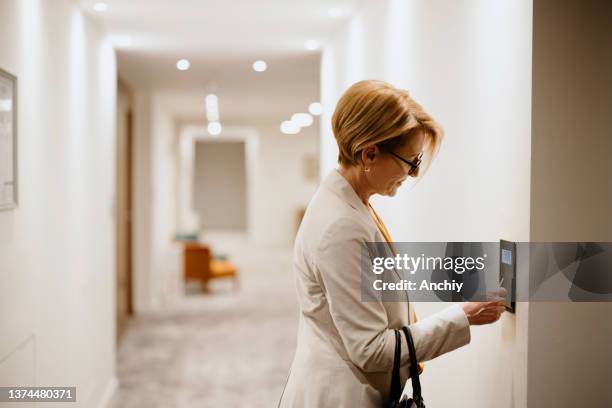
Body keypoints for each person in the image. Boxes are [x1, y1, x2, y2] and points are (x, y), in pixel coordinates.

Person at [278, 80, 506, 408]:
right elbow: (370, 350)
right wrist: (461, 316)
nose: (413, 173)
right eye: (410, 161)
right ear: (369, 153)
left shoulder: (351, 205)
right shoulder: (341, 227)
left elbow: (374, 281)